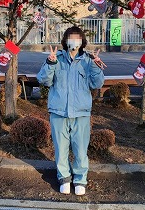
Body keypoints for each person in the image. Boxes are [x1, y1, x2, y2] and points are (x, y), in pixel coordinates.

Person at [37, 26, 106, 196]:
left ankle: (80, 179)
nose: (74, 41)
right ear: (65, 41)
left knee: (80, 149)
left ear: (82, 41)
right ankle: (64, 178)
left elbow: (96, 85)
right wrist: (50, 63)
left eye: (77, 38)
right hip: (59, 111)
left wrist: (97, 67)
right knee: (61, 148)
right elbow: (43, 80)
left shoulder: (88, 60)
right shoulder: (56, 58)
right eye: (71, 37)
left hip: (81, 112)